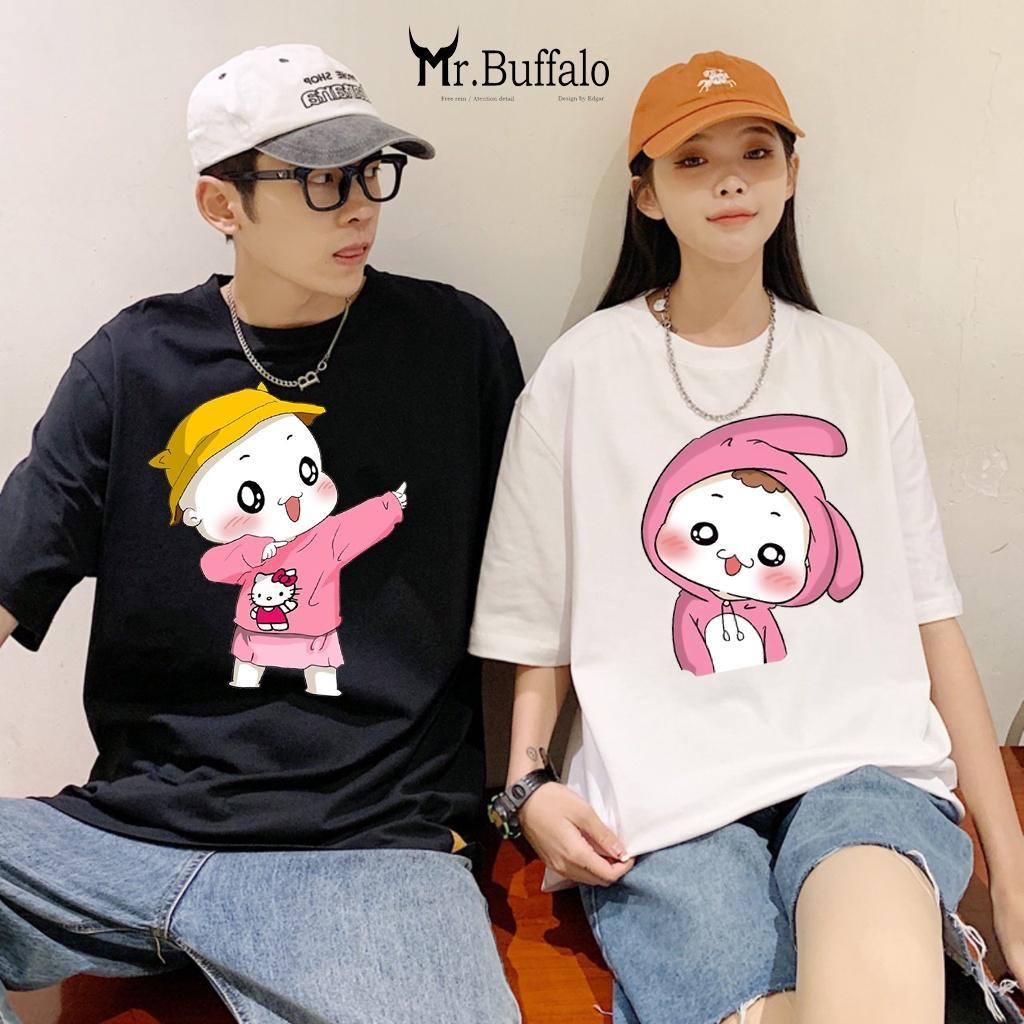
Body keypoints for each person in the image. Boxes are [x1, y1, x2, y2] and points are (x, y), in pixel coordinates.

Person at [469, 50, 1024, 1024]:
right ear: (646, 194)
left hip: (864, 771)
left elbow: (931, 619)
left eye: (755, 152)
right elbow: (535, 619)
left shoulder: (857, 371)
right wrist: (525, 788)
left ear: (791, 173)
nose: (729, 180)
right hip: (664, 804)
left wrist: (1012, 876)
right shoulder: (580, 375)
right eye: (692, 159)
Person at [0, 42, 523, 1024]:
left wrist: (528, 785)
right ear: (220, 204)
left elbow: (539, 588)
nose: (360, 206)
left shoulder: (456, 348)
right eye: (321, 179)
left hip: (366, 848)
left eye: (371, 171)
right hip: (126, 836)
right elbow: (9, 574)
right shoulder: (133, 362)